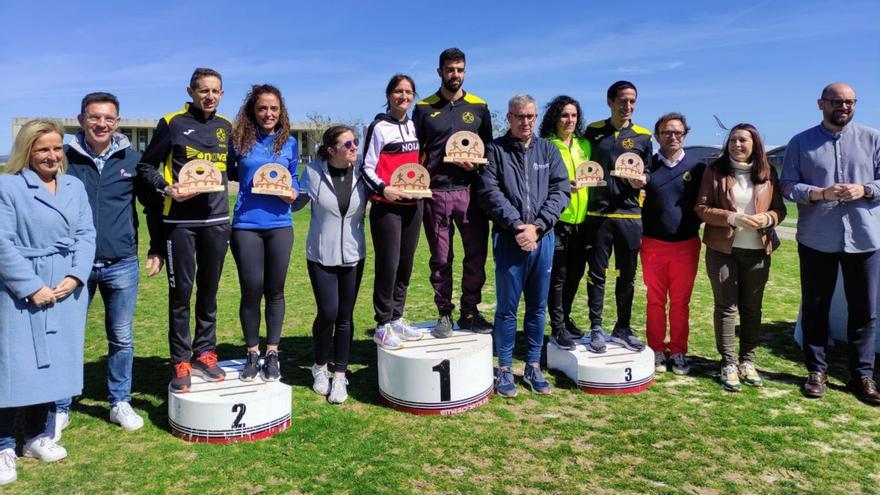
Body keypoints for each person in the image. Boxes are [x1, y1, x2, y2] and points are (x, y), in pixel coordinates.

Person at [52, 93, 163, 438]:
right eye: (94, 117)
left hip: (122, 262)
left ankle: (119, 401)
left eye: (108, 118)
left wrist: (156, 246)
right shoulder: (64, 158)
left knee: (121, 337)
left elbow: (151, 206)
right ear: (81, 119)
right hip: (73, 265)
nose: (101, 124)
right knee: (67, 337)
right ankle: (59, 406)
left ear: (117, 122)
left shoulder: (131, 158)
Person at [0, 120, 96, 485]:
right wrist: (30, 286)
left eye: (57, 148)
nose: (52, 155)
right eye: (43, 149)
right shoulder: (8, 186)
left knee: (52, 365)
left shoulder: (74, 186)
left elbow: (87, 234)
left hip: (65, 287)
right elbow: (2, 242)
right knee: (13, 367)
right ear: (27, 151)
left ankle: (37, 436)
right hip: (20, 288)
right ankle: (4, 445)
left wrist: (75, 276)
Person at [781, 83, 880, 404]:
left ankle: (862, 375)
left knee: (864, 310)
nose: (844, 107)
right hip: (816, 239)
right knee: (816, 307)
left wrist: (865, 190)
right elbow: (788, 185)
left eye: (850, 102)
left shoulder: (873, 138)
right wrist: (818, 193)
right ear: (821, 104)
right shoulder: (800, 143)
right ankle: (816, 371)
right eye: (837, 101)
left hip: (865, 238)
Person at [136, 67, 233, 393]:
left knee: (209, 291)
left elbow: (234, 166)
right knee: (181, 294)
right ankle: (180, 358)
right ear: (190, 92)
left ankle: (204, 351)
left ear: (221, 94)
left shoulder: (226, 127)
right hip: (179, 224)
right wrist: (166, 188)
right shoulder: (172, 122)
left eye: (215, 91)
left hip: (217, 222)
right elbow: (145, 166)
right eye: (203, 90)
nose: (209, 96)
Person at [478, 93, 570, 397]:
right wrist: (518, 226)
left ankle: (532, 366)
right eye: (519, 116)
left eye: (530, 116)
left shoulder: (548, 150)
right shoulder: (495, 150)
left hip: (542, 239)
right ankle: (504, 368)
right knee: (506, 309)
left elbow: (561, 191)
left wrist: (539, 226)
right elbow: (490, 192)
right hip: (510, 239)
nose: (525, 122)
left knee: (538, 307)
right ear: (509, 118)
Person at [695, 123, 786, 392]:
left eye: (743, 140)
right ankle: (729, 363)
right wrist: (731, 218)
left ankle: (748, 361)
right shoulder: (715, 171)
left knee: (752, 308)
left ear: (754, 144)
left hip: (758, 250)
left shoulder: (768, 173)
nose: (737, 145)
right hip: (723, 249)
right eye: (733, 140)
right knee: (726, 306)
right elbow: (701, 208)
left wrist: (768, 217)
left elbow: (780, 209)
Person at [412, 47, 494, 337]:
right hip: (436, 194)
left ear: (465, 71)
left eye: (460, 69)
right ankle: (444, 313)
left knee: (475, 257)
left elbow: (489, 152)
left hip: (470, 194)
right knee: (441, 259)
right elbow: (415, 153)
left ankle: (470, 311)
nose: (455, 75)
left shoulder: (479, 107)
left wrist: (478, 169)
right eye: (450, 69)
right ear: (439, 72)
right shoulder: (423, 108)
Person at [227, 84, 299, 382]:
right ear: (252, 111)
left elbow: (294, 179)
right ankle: (252, 352)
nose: (268, 113)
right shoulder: (238, 140)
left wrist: (292, 192)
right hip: (246, 224)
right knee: (251, 289)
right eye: (262, 108)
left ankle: (272, 353)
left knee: (275, 291)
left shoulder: (290, 143)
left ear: (280, 112)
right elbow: (231, 173)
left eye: (274, 108)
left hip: (280, 224)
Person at [293, 125, 367, 404]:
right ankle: (320, 367)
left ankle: (339, 375)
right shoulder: (313, 172)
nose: (354, 147)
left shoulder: (362, 172)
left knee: (346, 317)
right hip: (321, 255)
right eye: (348, 143)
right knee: (328, 312)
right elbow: (297, 202)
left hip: (353, 254)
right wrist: (281, 194)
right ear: (332, 149)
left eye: (355, 142)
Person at [582, 81, 652, 353]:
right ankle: (596, 327)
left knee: (627, 276)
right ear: (610, 101)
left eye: (633, 101)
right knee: (597, 274)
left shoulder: (644, 136)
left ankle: (622, 327)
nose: (628, 106)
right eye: (623, 100)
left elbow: (651, 171)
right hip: (598, 216)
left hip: (629, 217)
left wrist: (644, 180)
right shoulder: (593, 131)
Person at [361, 74, 426, 350]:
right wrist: (384, 188)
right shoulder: (377, 127)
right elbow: (366, 167)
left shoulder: (415, 126)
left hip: (414, 205)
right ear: (389, 95)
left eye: (408, 92)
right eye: (398, 91)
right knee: (388, 265)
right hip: (387, 206)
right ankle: (382, 324)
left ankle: (397, 316)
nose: (404, 96)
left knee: (405, 264)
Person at [641, 113, 705, 375]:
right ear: (657, 136)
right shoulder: (646, 167)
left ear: (685, 135)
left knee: (680, 302)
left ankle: (677, 351)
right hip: (653, 243)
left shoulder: (698, 167)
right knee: (655, 300)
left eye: (678, 132)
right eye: (667, 132)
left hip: (686, 244)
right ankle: (656, 349)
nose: (673, 137)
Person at [538, 95, 592, 350]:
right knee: (558, 277)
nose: (569, 120)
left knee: (575, 275)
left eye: (573, 115)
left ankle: (566, 317)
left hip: (582, 221)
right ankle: (557, 326)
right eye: (564, 115)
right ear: (554, 118)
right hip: (557, 221)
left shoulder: (584, 145)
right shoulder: (545, 145)